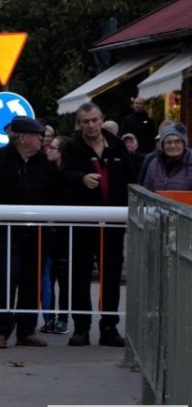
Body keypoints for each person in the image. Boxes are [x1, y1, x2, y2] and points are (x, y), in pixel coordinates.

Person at [0, 117, 58, 349]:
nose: (41, 139)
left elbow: (57, 190)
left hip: (37, 231)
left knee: (32, 280)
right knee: (8, 278)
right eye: (37, 134)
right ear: (23, 138)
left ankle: (26, 331)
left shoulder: (43, 162)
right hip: (7, 232)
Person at [60, 102, 131, 347]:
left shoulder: (118, 145)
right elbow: (63, 175)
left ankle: (109, 327)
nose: (90, 125)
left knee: (111, 273)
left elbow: (129, 177)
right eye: (85, 121)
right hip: (82, 221)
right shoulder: (71, 147)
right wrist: (81, 178)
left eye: (94, 120)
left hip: (113, 222)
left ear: (102, 120)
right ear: (79, 124)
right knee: (79, 274)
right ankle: (81, 327)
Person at [39, 135, 71, 336]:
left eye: (54, 148)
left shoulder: (68, 175)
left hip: (65, 233)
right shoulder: (46, 172)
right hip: (48, 232)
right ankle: (48, 318)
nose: (48, 150)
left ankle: (63, 319)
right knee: (46, 277)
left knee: (64, 278)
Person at [141, 125, 192, 192]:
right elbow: (146, 192)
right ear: (162, 145)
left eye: (177, 141)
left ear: (184, 144)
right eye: (168, 142)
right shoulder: (154, 164)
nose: (172, 146)